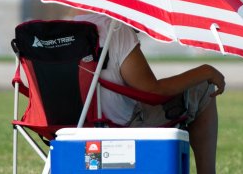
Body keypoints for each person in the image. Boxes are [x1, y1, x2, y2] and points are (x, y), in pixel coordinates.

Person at [73, 11, 224, 174]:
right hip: (117, 129)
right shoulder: (116, 29)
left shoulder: (69, 28)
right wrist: (205, 71)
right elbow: (153, 91)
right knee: (202, 88)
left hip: (71, 130)